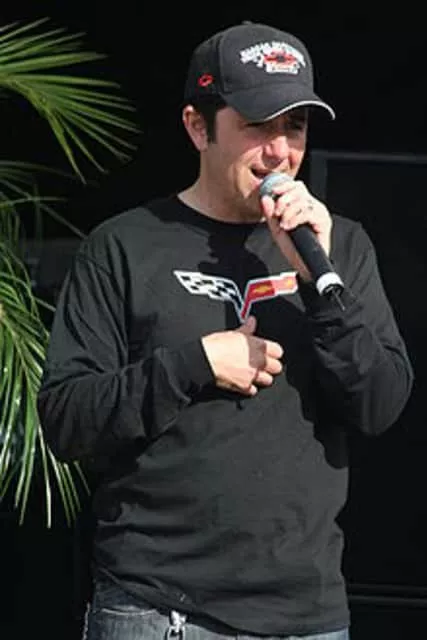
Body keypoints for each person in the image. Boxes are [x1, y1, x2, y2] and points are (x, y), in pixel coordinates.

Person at [37, 21, 414, 640]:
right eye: (258, 125)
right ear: (197, 127)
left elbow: (380, 404)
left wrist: (319, 286)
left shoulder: (340, 245)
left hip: (305, 616)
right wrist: (195, 364)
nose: (279, 152)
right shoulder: (124, 246)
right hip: (157, 609)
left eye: (295, 126)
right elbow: (66, 418)